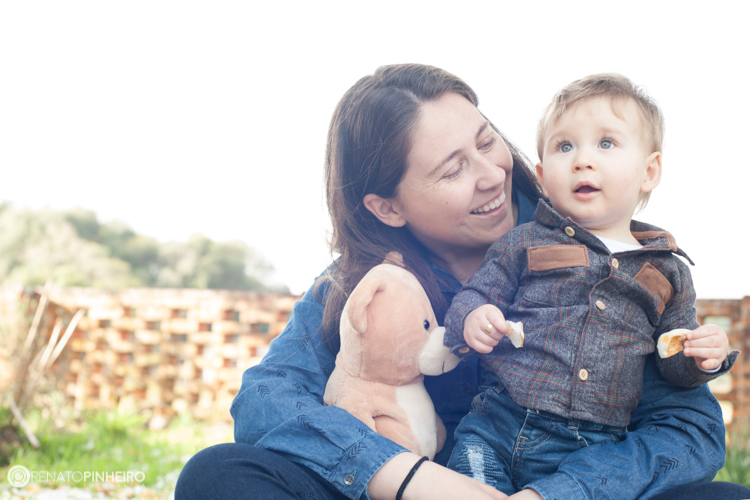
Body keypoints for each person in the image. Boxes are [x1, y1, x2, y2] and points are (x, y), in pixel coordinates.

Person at [174, 64, 749, 500]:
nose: (492, 174)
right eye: (453, 169)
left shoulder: (612, 269)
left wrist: (564, 492)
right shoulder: (364, 286)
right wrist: (409, 479)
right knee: (217, 475)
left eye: (486, 140)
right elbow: (265, 400)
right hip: (417, 488)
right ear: (388, 207)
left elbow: (689, 430)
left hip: (573, 485)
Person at [443, 73, 739, 496]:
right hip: (497, 425)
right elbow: (474, 295)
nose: (582, 159)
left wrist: (701, 358)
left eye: (606, 143)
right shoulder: (523, 242)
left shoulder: (667, 271)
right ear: (543, 175)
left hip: (592, 449)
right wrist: (474, 315)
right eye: (565, 146)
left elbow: (671, 362)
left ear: (649, 171)